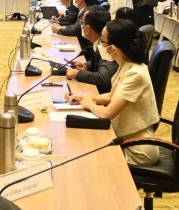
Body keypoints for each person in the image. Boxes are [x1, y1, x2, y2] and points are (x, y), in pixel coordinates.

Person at [67, 19, 160, 167]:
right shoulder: (126, 65)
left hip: (137, 149)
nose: (100, 44)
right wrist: (84, 98)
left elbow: (108, 113)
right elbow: (113, 96)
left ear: (112, 48)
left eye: (102, 40)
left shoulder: (136, 74)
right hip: (124, 138)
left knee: (88, 160)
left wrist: (89, 104)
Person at [63, 7, 117, 94]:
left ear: (87, 28)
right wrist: (86, 66)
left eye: (82, 23)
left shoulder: (106, 47)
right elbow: (97, 62)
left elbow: (103, 78)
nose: (81, 26)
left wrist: (78, 74)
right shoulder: (99, 42)